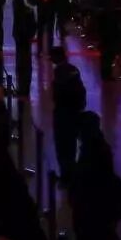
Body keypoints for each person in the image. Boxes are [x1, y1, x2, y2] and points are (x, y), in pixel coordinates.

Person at [50, 46, 86, 183]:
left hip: (63, 113)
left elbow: (58, 95)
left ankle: (66, 176)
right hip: (75, 112)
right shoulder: (73, 69)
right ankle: (71, 173)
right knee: (71, 146)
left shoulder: (59, 73)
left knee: (62, 146)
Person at [11, 0, 36, 98]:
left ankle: (22, 88)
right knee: (25, 62)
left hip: (21, 37)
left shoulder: (19, 8)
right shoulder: (27, 8)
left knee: (22, 63)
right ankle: (24, 88)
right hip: (24, 36)